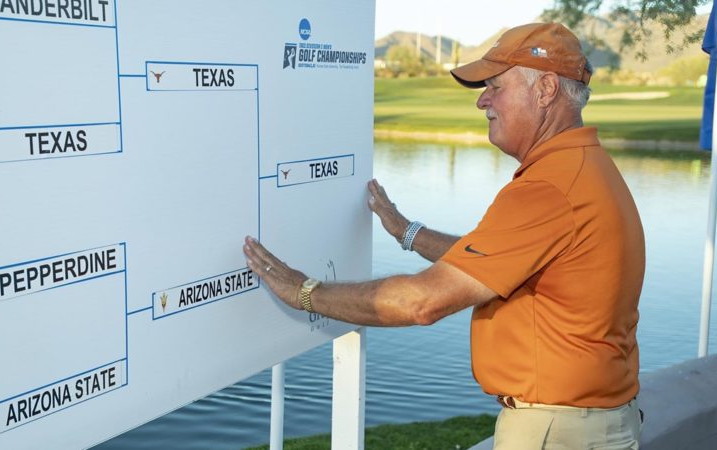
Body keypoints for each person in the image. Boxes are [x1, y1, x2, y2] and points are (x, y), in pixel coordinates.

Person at [243, 22, 645, 449]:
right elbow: (494, 265)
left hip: (559, 432)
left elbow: (423, 302)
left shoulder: (549, 189)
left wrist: (303, 292)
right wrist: (405, 230)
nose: (482, 101)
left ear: (545, 89)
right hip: (587, 423)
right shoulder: (584, 167)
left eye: (495, 86)